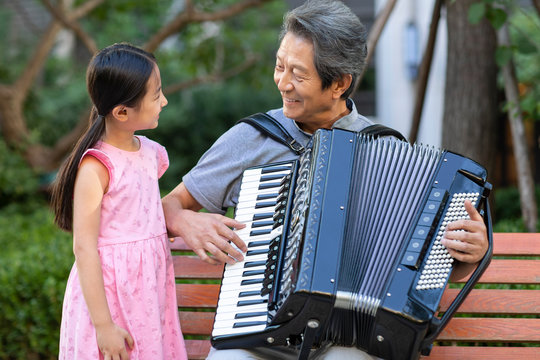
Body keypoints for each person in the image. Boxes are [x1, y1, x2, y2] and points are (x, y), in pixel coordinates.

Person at [162, 0, 489, 359]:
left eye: (298, 75)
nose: (282, 83)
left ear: (339, 84)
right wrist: (184, 220)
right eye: (279, 66)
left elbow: (430, 267)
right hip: (257, 329)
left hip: (347, 338)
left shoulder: (385, 148)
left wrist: (467, 255)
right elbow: (171, 204)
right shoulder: (253, 138)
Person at [51, 43, 187, 360]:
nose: (164, 101)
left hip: (148, 297)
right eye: (156, 95)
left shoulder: (152, 153)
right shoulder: (96, 167)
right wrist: (103, 326)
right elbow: (83, 247)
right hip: (109, 300)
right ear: (122, 112)